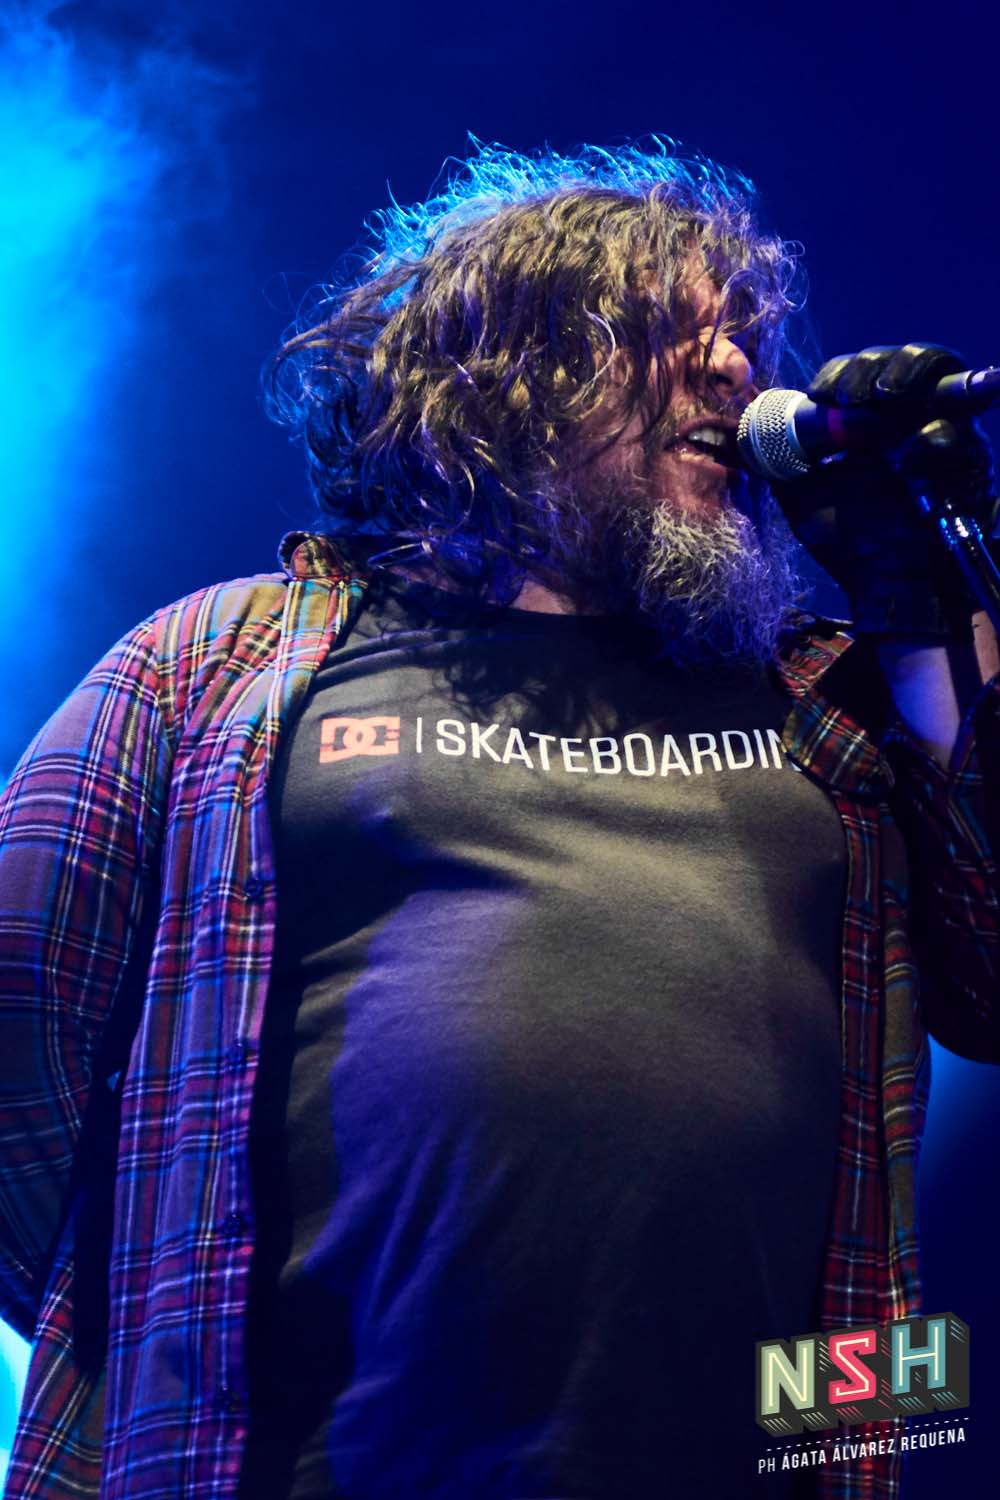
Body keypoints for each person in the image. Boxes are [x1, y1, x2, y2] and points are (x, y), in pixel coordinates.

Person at [0, 139, 997, 1500]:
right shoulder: (217, 665)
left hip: (757, 1461)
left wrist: (916, 582)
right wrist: (149, 1341)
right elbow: (17, 1030)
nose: (733, 370)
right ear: (501, 370)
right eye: (669, 330)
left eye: (743, 339)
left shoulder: (826, 698)